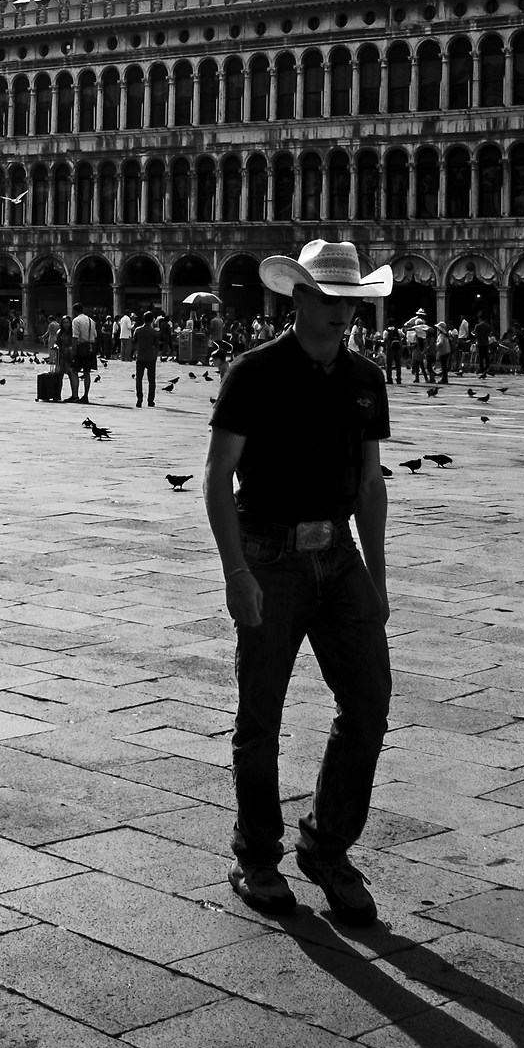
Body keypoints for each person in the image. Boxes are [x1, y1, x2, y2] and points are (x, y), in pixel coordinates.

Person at [206, 239, 392, 925]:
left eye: (353, 301)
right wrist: (236, 572)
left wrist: (377, 575)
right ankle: (257, 855)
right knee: (261, 715)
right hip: (269, 551)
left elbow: (370, 483)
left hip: (338, 555)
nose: (345, 312)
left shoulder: (365, 377)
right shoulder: (254, 372)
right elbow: (217, 478)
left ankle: (326, 845)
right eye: (332, 298)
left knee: (369, 702)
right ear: (301, 297)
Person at [132, 308, 163, 407]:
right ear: (152, 320)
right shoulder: (154, 332)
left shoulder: (138, 330)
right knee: (151, 380)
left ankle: (139, 399)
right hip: (151, 357)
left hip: (140, 357)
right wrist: (156, 355)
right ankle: (150, 400)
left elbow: (134, 342)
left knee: (139, 379)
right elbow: (157, 346)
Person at [69, 307, 98, 403]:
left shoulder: (76, 320)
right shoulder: (91, 321)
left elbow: (75, 337)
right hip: (91, 347)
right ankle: (86, 395)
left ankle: (75, 395)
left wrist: (73, 352)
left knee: (74, 371)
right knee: (87, 372)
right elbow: (95, 335)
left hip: (81, 347)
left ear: (75, 311)